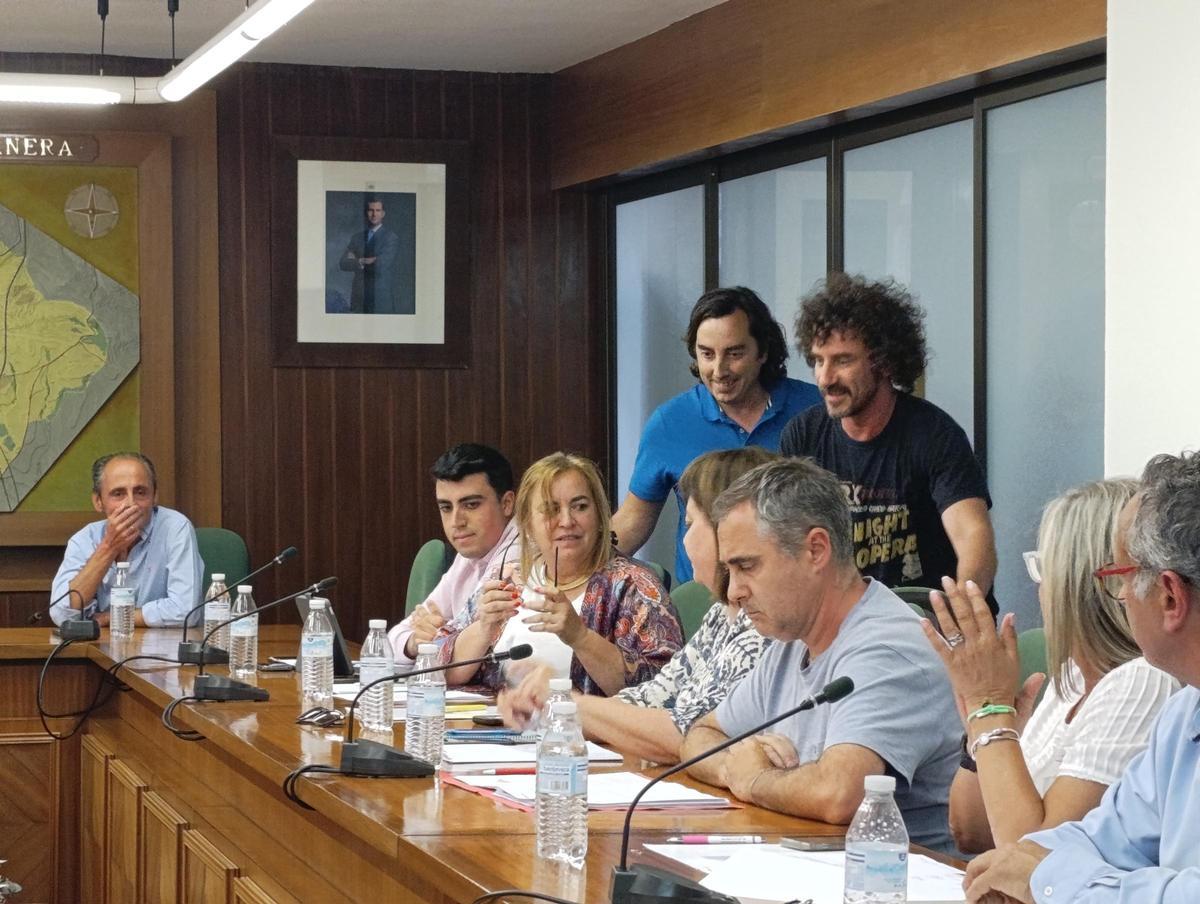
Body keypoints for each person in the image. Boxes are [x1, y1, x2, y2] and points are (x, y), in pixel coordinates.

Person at [680, 458, 961, 853]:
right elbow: (699, 737)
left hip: (893, 877)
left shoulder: (888, 648)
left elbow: (839, 794)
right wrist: (735, 765)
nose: (733, 592)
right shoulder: (792, 641)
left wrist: (756, 780)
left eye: (747, 567)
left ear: (816, 549)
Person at [963, 452, 1200, 904]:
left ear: (1170, 596)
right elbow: (1102, 837)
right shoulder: (1184, 711)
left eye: (1120, 578)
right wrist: (1017, 867)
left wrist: (1048, 881)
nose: (1121, 596)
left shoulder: (1149, 686)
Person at [921, 479, 1177, 855]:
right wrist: (984, 724)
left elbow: (1035, 858)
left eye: (1042, 567)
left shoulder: (1142, 681)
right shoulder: (1071, 678)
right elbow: (971, 832)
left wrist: (988, 706)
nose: (1039, 588)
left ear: (1075, 581)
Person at [498, 447, 776, 763]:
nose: (684, 540)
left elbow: (689, 734)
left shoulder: (765, 628)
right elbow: (651, 697)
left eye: (689, 524)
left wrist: (565, 702)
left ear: (729, 531)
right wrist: (550, 704)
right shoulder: (721, 616)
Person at [780, 272, 998, 606]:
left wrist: (962, 613)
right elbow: (788, 541)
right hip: (843, 622)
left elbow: (973, 536)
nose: (825, 378)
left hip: (927, 620)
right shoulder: (803, 436)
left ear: (883, 362)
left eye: (843, 360)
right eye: (819, 361)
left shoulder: (934, 435)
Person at [612, 287, 820, 583]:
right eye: (707, 354)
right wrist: (571, 566)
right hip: (702, 600)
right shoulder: (669, 422)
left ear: (762, 351)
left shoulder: (815, 410)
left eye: (734, 354)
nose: (719, 370)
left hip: (793, 593)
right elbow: (632, 523)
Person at [432, 452, 683, 696]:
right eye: (551, 509)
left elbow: (664, 691)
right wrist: (482, 629)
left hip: (578, 724)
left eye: (580, 507)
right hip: (491, 720)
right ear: (527, 523)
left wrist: (580, 637)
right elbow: (435, 665)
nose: (566, 521)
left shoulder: (634, 586)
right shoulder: (509, 577)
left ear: (600, 516)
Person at [387, 443, 519, 666]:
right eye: (446, 508)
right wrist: (414, 641)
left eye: (471, 505)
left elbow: (457, 653)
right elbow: (392, 641)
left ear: (506, 503)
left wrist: (438, 637)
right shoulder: (469, 554)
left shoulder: (518, 555)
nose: (456, 522)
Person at [49, 452, 203, 628]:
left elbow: (186, 611)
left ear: (155, 496)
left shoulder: (176, 528)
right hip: (103, 643)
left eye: (140, 492)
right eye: (118, 494)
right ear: (98, 501)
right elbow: (61, 614)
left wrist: (111, 618)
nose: (131, 503)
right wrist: (108, 547)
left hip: (163, 643)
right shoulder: (85, 539)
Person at [339, 196, 402, 313]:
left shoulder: (390, 237)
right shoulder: (357, 238)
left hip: (380, 298)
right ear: (366, 213)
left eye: (378, 210)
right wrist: (362, 261)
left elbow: (381, 265)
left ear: (383, 214)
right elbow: (343, 263)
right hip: (359, 296)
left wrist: (357, 259)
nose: (374, 214)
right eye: (371, 210)